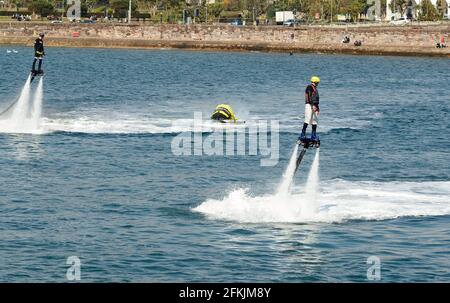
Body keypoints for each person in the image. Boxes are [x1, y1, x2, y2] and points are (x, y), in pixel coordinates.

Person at [298, 76, 320, 142]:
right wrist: (312, 105)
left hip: (315, 106)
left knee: (315, 121)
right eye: (318, 82)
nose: (318, 84)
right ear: (315, 82)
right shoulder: (309, 87)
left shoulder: (315, 88)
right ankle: (302, 134)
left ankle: (313, 136)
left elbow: (316, 99)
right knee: (307, 119)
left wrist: (317, 108)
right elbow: (309, 97)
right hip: (309, 105)